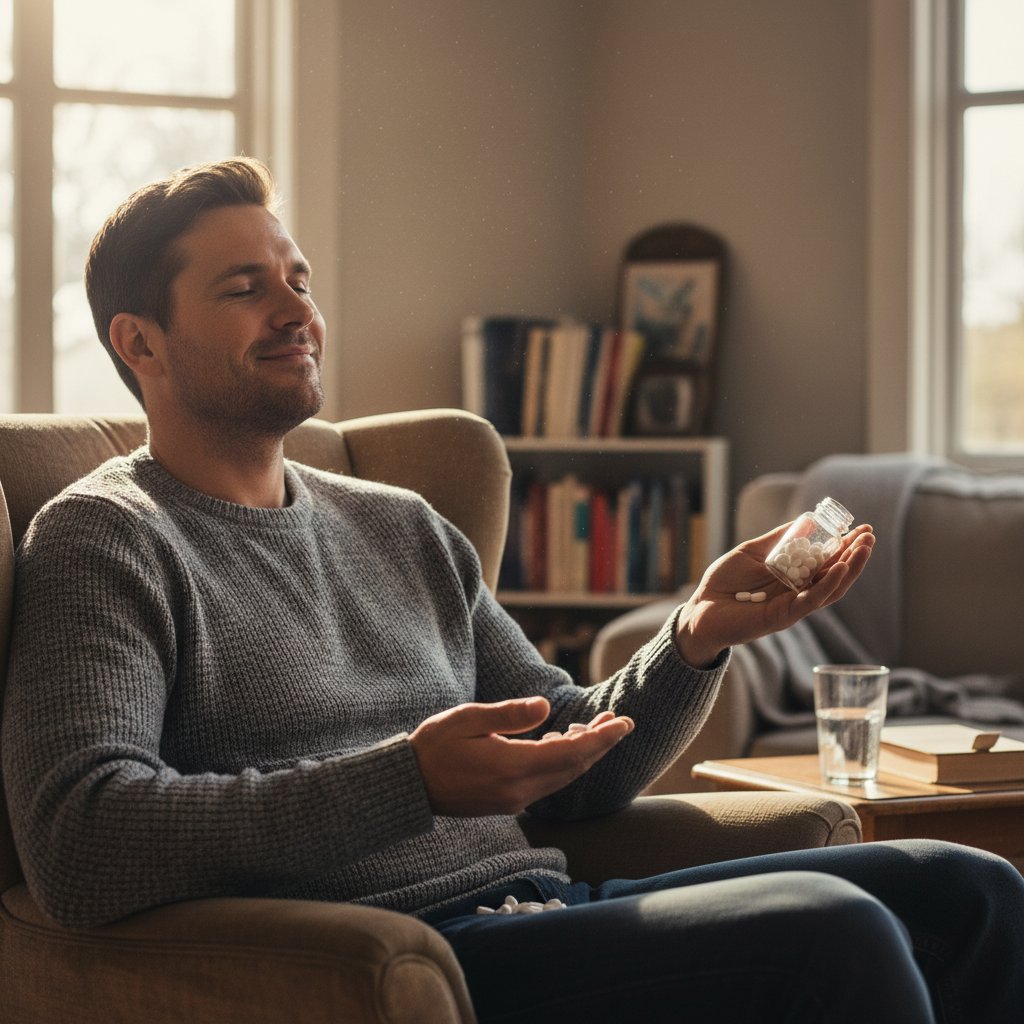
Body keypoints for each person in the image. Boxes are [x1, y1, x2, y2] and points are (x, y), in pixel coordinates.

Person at [2, 157, 1021, 1024]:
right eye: (243, 289)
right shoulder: (108, 539)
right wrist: (407, 780)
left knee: (968, 886)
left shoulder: (398, 523)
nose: (296, 311)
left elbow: (566, 759)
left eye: (298, 278)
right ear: (140, 343)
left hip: (545, 904)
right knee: (831, 932)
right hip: (403, 953)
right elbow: (83, 842)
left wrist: (698, 632)